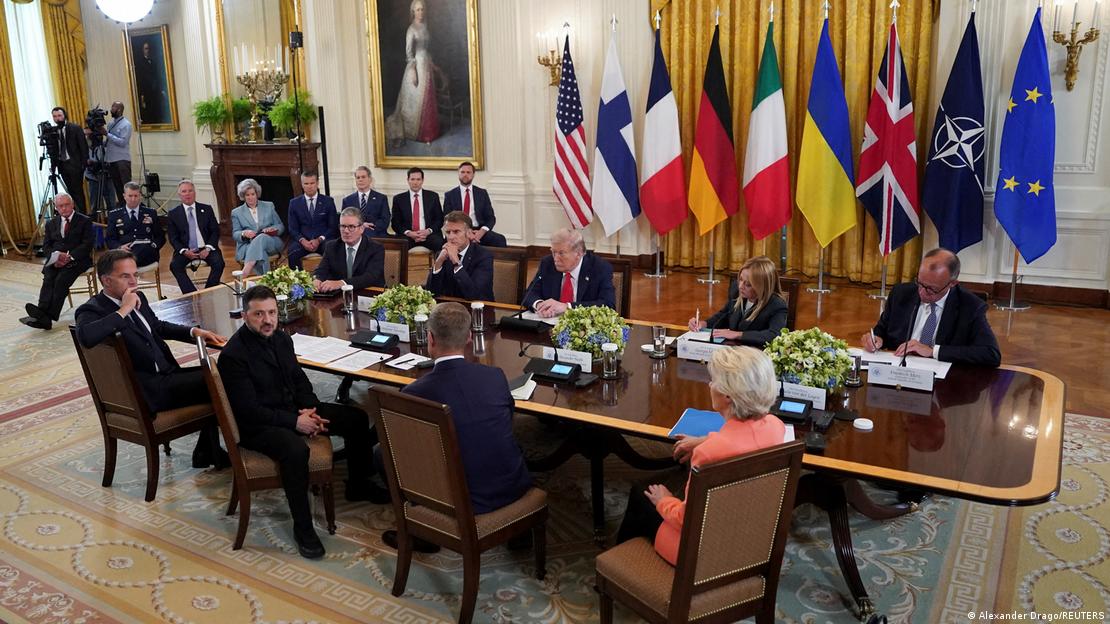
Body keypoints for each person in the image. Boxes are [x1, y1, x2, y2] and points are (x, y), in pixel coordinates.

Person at [217, 285, 389, 559]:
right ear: (245, 316)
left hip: (294, 410)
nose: (268, 320)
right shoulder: (234, 355)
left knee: (356, 418)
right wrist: (295, 423)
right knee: (296, 450)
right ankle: (303, 527)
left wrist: (310, 410)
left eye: (271, 312)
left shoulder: (283, 339)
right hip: (261, 425)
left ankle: (358, 484)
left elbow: (298, 380)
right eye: (259, 314)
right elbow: (248, 410)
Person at [383, 302, 533, 554]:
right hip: (513, 484)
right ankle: (519, 530)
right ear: (469, 338)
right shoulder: (495, 375)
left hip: (459, 498)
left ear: (430, 339)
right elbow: (507, 420)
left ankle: (423, 532)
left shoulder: (414, 394)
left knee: (383, 453)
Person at [615, 347, 786, 566]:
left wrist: (664, 500)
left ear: (727, 395)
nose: (709, 385)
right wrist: (705, 439)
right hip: (751, 541)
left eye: (713, 380)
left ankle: (623, 571)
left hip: (703, 555)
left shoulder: (710, 453)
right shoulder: (775, 426)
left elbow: (686, 520)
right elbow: (742, 438)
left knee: (642, 494)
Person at [74, 249, 228, 468]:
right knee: (221, 381)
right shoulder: (92, 310)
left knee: (222, 373)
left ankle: (208, 450)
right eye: (125, 276)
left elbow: (156, 327)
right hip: (148, 389)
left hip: (168, 376)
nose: (133, 281)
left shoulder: (139, 297)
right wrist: (125, 309)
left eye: (135, 275)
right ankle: (215, 450)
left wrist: (193, 332)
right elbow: (86, 337)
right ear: (106, 281)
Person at [861, 248, 1001, 367]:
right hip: (898, 371)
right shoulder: (900, 293)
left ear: (952, 283)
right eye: (920, 283)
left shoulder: (970, 306)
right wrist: (876, 339)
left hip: (942, 384)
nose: (922, 292)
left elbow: (991, 354)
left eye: (931, 289)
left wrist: (933, 351)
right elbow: (882, 329)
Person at [20, 193, 93, 330]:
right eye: (61, 206)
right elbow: (46, 246)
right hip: (56, 260)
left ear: (72, 205)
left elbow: (87, 244)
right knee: (49, 278)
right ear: (56, 208)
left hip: (78, 260)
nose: (64, 209)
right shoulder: (51, 223)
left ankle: (46, 316)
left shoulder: (84, 221)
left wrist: (69, 257)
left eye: (66, 205)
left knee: (61, 280)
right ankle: (42, 315)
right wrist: (54, 257)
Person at [686, 256, 788, 347]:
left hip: (754, 356)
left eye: (748, 284)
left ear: (762, 287)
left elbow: (774, 335)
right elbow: (722, 315)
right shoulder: (737, 292)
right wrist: (703, 324)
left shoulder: (777, 305)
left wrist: (738, 334)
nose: (740, 286)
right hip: (731, 349)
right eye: (740, 279)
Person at [522, 227, 615, 316]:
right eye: (553, 252)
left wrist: (568, 307)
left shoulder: (599, 268)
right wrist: (540, 305)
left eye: (561, 253)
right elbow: (529, 294)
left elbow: (608, 305)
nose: (555, 258)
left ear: (578, 253)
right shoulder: (547, 263)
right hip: (549, 325)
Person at [384, 0, 439, 145]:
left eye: (422, 9)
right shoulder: (411, 29)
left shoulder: (425, 27)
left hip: (426, 63)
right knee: (416, 101)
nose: (420, 12)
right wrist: (413, 71)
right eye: (418, 10)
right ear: (413, 12)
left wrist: (433, 65)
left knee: (428, 99)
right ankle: (417, 133)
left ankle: (429, 132)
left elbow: (426, 50)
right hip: (416, 66)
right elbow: (409, 53)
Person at [167, 179, 224, 293]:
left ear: (195, 193)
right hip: (186, 249)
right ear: (179, 195)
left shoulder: (206, 209)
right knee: (175, 266)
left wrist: (208, 248)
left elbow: (215, 231)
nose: (187, 194)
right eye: (184, 191)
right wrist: (184, 251)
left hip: (206, 247)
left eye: (190, 191)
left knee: (219, 263)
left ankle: (208, 291)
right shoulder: (173, 214)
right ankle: (191, 293)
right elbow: (173, 237)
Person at [425, 210, 494, 301]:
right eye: (448, 232)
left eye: (456, 232)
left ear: (469, 233)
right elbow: (431, 293)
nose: (451, 237)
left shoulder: (483, 256)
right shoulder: (442, 254)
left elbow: (474, 295)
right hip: (449, 309)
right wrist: (439, 262)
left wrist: (456, 263)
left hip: (479, 309)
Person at [313, 208, 385, 292]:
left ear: (361, 228)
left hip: (367, 294)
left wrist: (341, 283)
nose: (346, 231)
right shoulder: (331, 246)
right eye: (343, 226)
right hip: (339, 296)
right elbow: (321, 270)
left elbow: (370, 277)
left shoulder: (376, 248)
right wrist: (317, 279)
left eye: (351, 227)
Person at [442, 162, 507, 247]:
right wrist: (465, 232)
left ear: (473, 175)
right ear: (458, 174)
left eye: (468, 172)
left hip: (478, 230)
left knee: (500, 239)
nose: (465, 175)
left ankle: (491, 260)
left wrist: (482, 231)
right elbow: (448, 218)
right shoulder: (450, 195)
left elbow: (490, 217)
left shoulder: (482, 193)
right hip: (458, 230)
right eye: (462, 172)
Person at [231, 178, 284, 276]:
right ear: (243, 196)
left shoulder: (269, 206)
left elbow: (280, 226)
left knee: (261, 237)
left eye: (252, 194)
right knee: (260, 252)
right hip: (248, 244)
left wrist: (273, 229)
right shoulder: (236, 212)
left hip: (271, 242)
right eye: (247, 195)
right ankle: (266, 280)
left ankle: (246, 270)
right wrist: (244, 233)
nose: (250, 197)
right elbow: (235, 233)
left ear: (257, 194)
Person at [286, 171, 337, 269]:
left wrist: (319, 239)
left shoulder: (328, 201)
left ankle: (329, 279)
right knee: (292, 252)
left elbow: (333, 227)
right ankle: (299, 281)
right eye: (306, 183)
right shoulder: (294, 203)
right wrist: (303, 240)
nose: (309, 186)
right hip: (303, 241)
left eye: (312, 183)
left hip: (323, 240)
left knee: (331, 248)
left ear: (317, 183)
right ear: (302, 185)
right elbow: (293, 229)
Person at [106, 182, 164, 267]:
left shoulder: (150, 213)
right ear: (124, 196)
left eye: (136, 196)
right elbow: (110, 239)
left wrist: (153, 245)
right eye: (130, 196)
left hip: (147, 254)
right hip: (123, 254)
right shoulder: (114, 215)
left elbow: (160, 236)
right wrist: (119, 247)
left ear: (140, 196)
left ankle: (130, 263)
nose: (133, 199)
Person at [390, 167, 444, 253]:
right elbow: (395, 223)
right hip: (408, 236)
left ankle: (438, 267)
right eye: (413, 179)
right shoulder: (399, 199)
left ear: (422, 180)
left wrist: (428, 231)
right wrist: (409, 233)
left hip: (428, 235)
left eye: (418, 179)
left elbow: (439, 219)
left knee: (440, 244)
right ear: (408, 180)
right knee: (397, 247)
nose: (415, 182)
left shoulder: (433, 196)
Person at [51, 107, 89, 215]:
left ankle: (82, 215)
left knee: (78, 192)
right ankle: (73, 215)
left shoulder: (75, 128)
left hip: (75, 165)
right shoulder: (54, 131)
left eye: (59, 116)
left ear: (64, 115)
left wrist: (83, 164)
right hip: (62, 166)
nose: (57, 119)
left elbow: (83, 147)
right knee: (70, 192)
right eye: (55, 116)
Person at [340, 166, 390, 238]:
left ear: (370, 179)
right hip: (353, 235)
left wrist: (369, 226)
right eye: (358, 177)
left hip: (376, 234)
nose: (360, 180)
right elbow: (344, 221)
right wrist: (361, 226)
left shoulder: (381, 198)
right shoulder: (347, 200)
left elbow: (385, 220)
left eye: (363, 177)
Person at [102, 101, 132, 205]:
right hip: (111, 160)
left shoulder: (126, 124)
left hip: (122, 160)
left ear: (119, 110)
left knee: (126, 188)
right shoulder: (110, 123)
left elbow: (123, 142)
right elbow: (109, 141)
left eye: (113, 107)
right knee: (118, 188)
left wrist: (107, 134)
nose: (111, 109)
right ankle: (123, 208)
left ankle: (130, 208)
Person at [135, 40, 168, 125]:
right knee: (149, 112)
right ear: (143, 50)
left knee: (158, 111)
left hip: (155, 91)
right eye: (146, 48)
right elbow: (140, 80)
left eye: (149, 48)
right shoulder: (140, 63)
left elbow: (158, 76)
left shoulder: (154, 61)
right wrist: (142, 96)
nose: (148, 50)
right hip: (147, 92)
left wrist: (161, 90)